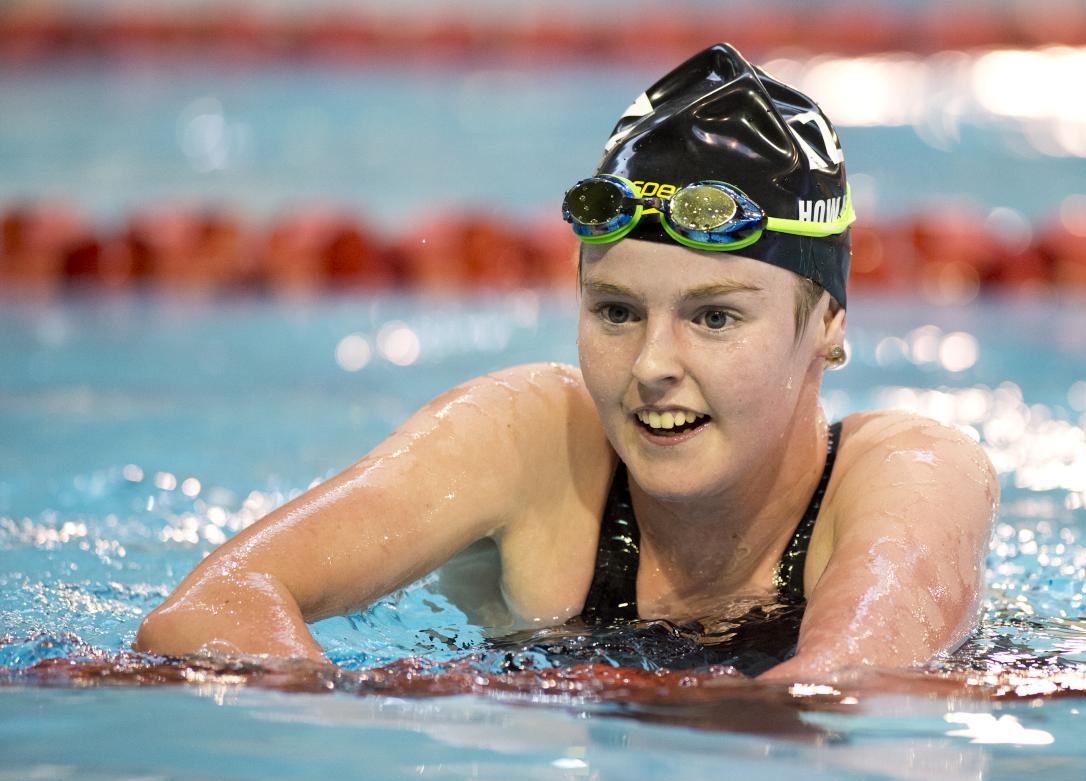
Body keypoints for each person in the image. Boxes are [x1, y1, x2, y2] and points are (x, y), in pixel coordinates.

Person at [135, 43, 998, 681]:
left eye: (716, 316)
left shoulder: (914, 474)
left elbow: (845, 687)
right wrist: (346, 710)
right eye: (617, 311)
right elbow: (209, 608)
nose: (654, 364)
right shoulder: (527, 440)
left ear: (829, 327)